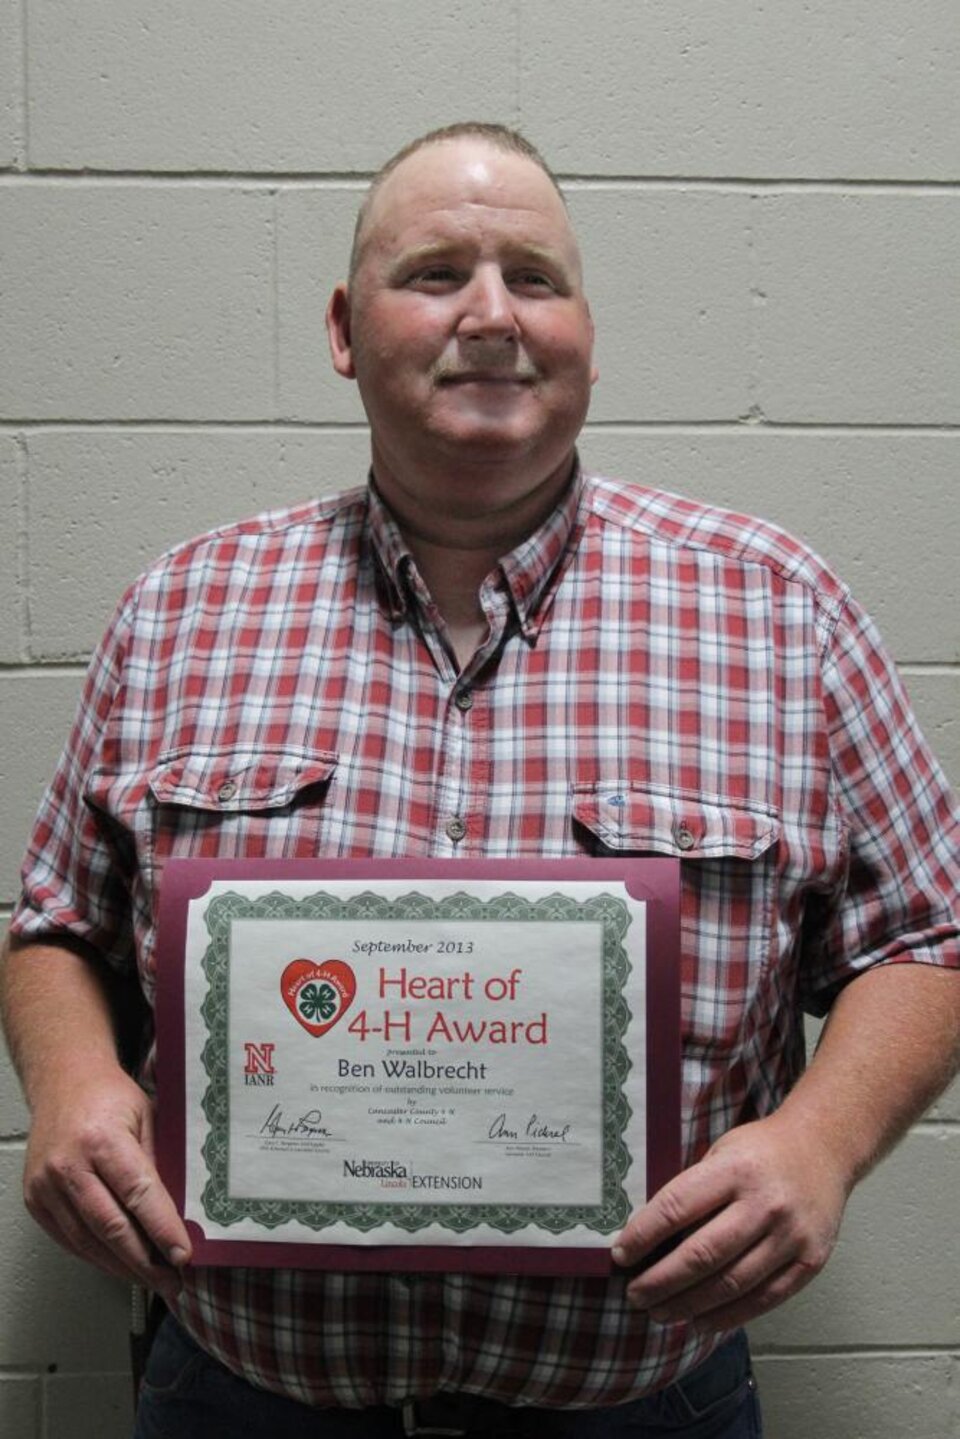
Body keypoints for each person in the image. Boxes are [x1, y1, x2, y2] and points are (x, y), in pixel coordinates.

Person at [2, 122, 957, 1439]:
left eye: (537, 279)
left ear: (589, 334)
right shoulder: (182, 608)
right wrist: (70, 1086)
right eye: (437, 271)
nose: (493, 316)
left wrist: (822, 1142)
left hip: (642, 1406)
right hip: (243, 1396)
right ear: (345, 327)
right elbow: (55, 921)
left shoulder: (777, 608)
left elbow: (927, 935)